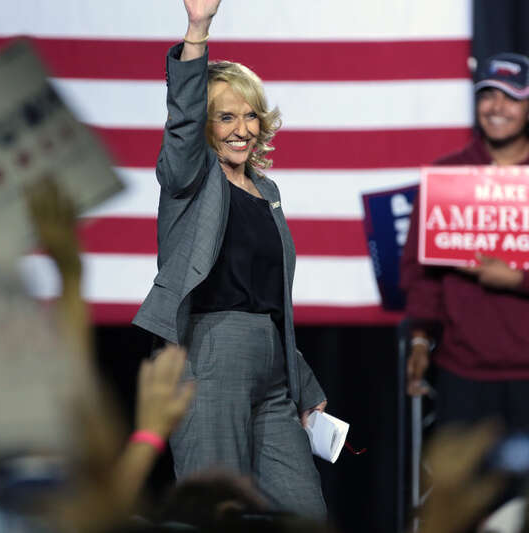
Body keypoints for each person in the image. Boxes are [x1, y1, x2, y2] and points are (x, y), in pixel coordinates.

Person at [132, 0, 327, 518]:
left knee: (305, 515)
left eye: (249, 115)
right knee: (216, 512)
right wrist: (198, 29)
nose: (241, 128)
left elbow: (271, 301)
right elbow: (183, 116)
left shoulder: (267, 190)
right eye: (226, 116)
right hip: (208, 354)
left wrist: (302, 383)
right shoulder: (191, 179)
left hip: (272, 369)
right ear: (206, 125)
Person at [400, 53, 529, 432]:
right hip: (465, 371)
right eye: (488, 95)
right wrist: (418, 339)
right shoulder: (450, 175)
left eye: (511, 97)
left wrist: (518, 279)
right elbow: (421, 271)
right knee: (462, 492)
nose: (496, 107)